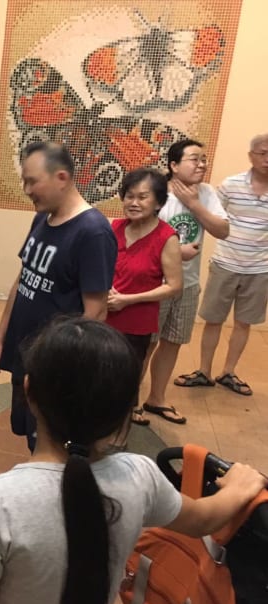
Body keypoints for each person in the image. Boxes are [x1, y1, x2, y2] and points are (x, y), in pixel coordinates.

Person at [0, 317, 267, 604]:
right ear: (123, 412)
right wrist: (240, 487)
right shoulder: (140, 477)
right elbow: (202, 520)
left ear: (29, 392)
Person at [0, 141, 117, 452]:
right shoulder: (42, 218)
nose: (27, 190)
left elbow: (96, 312)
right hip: (26, 351)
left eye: (32, 181)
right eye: (24, 181)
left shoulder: (93, 232)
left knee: (51, 443)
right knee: (29, 431)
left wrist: (61, 367)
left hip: (55, 363)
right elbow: (23, 278)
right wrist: (0, 338)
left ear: (62, 178)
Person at [142, 139, 229, 424]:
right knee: (146, 344)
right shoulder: (156, 193)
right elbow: (139, 236)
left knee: (173, 342)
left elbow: (222, 230)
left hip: (188, 284)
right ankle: (128, 403)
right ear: (174, 165)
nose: (201, 164)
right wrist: (175, 252)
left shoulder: (206, 193)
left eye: (203, 159)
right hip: (156, 285)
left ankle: (156, 399)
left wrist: (193, 204)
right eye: (194, 159)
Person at [176, 133, 268, 397]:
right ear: (251, 155)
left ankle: (229, 371)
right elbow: (214, 219)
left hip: (260, 267)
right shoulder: (231, 185)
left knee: (243, 323)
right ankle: (203, 371)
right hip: (225, 262)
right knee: (213, 319)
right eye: (263, 153)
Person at [106, 168, 182, 426]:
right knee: (98, 373)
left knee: (126, 379)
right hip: (104, 316)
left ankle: (119, 433)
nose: (134, 203)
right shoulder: (114, 227)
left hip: (136, 322)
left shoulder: (166, 237)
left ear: (158, 203)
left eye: (142, 197)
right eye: (129, 196)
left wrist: (127, 299)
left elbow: (174, 286)